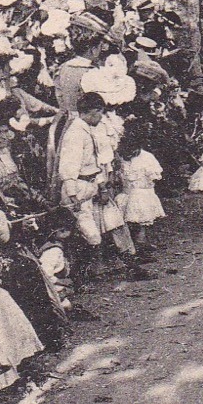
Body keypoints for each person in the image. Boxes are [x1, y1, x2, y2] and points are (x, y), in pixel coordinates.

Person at [57, 92, 146, 276]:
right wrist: (73, 195)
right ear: (93, 111)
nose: (101, 117)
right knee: (89, 234)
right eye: (100, 113)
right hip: (79, 189)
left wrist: (102, 186)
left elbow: (96, 163)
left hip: (93, 185)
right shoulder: (75, 134)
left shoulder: (87, 129)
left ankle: (131, 266)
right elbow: (68, 167)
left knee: (115, 223)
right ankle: (82, 276)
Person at [116, 125, 166, 248]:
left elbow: (154, 176)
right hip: (127, 193)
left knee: (141, 221)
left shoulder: (146, 157)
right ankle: (134, 245)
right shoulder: (122, 158)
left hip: (142, 193)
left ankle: (141, 244)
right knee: (129, 221)